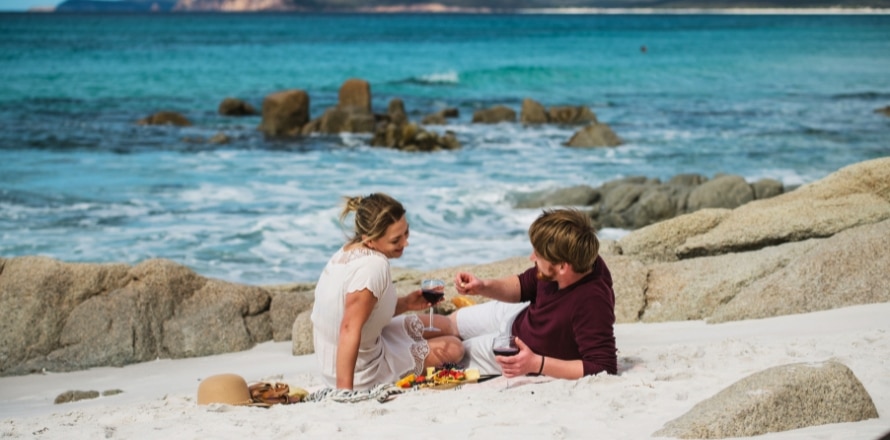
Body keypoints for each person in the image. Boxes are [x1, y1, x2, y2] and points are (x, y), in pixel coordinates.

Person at [311, 193, 464, 391]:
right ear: (371, 240)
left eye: (406, 233)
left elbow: (365, 313)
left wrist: (407, 304)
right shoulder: (374, 266)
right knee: (454, 347)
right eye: (395, 240)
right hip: (360, 369)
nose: (405, 243)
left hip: (364, 344)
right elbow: (348, 328)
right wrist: (344, 393)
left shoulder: (347, 251)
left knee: (445, 324)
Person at [449, 208, 617, 379]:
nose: (532, 258)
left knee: (452, 351)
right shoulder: (575, 255)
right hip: (519, 316)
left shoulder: (592, 301)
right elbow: (525, 284)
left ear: (562, 267)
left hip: (521, 352)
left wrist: (536, 363)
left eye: (538, 255)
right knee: (451, 323)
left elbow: (604, 366)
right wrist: (483, 286)